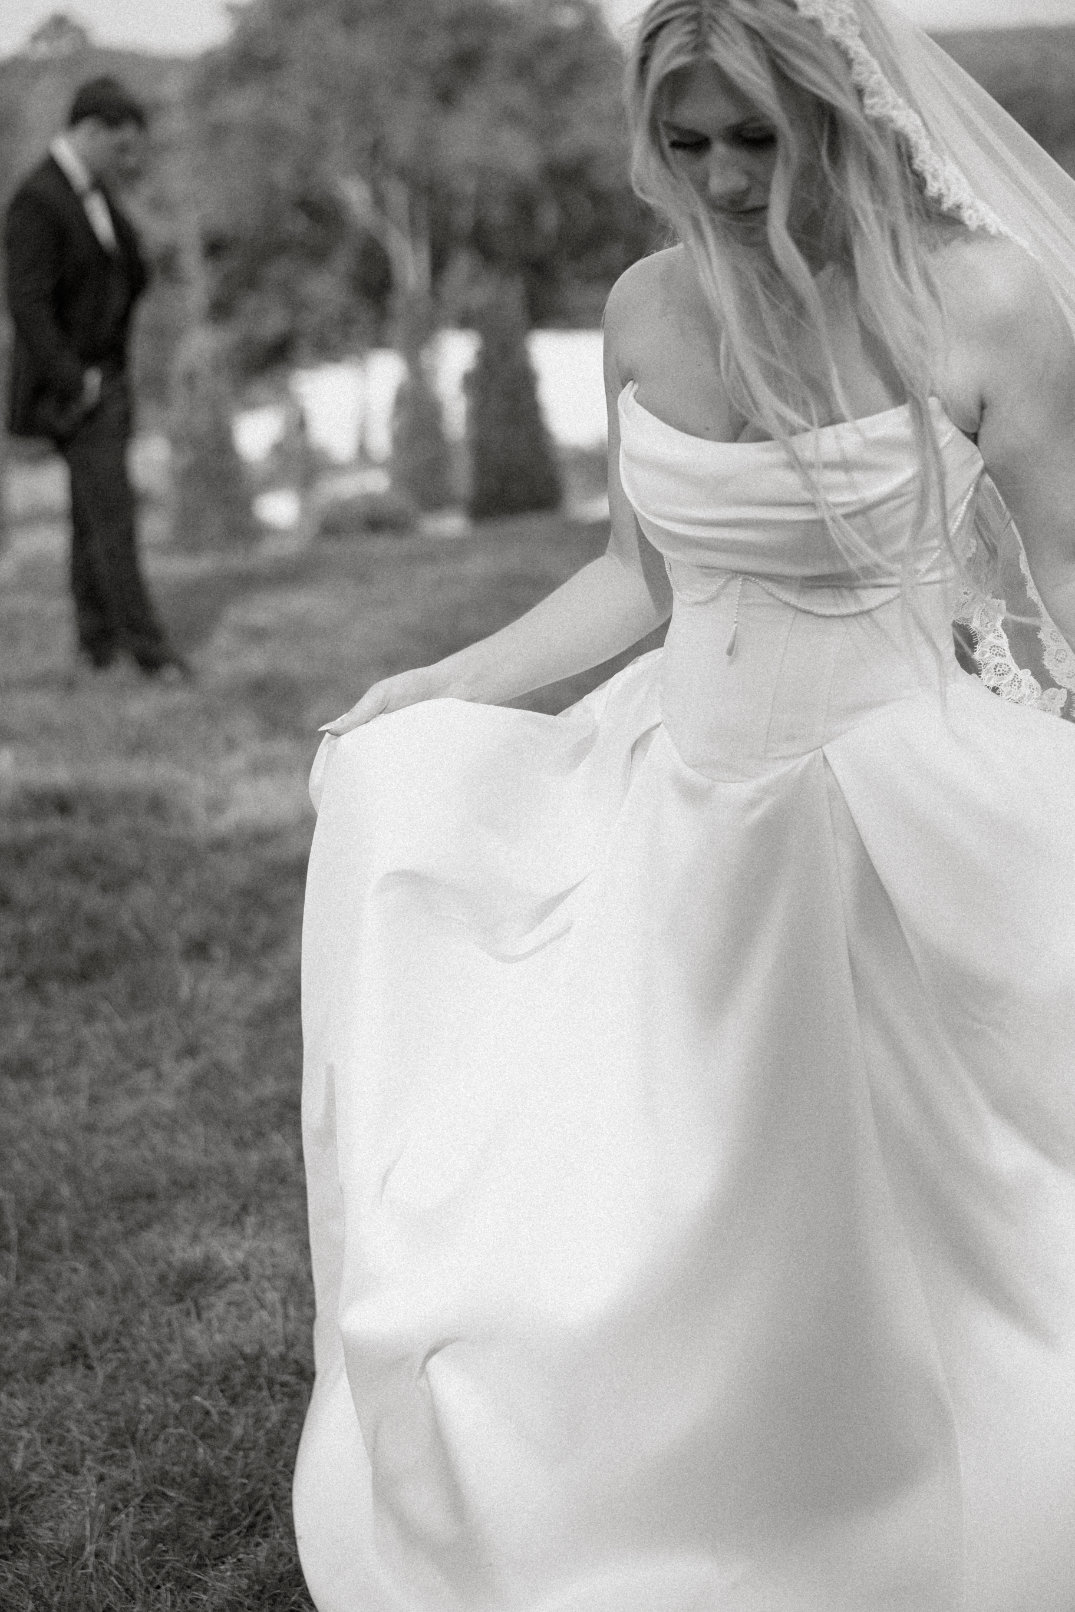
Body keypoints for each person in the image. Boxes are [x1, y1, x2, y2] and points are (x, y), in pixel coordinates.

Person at [295, 2, 1075, 1608]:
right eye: (682, 142)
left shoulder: (985, 299)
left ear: (839, 116)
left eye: (751, 138)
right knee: (614, 1193)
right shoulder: (645, 304)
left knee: (901, 1219)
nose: (718, 180)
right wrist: (445, 683)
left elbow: (1062, 568)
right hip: (681, 785)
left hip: (889, 812)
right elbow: (631, 574)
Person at [3, 76, 187, 681]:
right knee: (114, 520)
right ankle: (153, 655)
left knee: (91, 521)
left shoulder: (97, 195)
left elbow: (128, 267)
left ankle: (97, 645)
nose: (127, 159)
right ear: (89, 130)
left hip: (108, 378)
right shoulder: (37, 199)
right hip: (76, 391)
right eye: (121, 145)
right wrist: (74, 378)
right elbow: (26, 303)